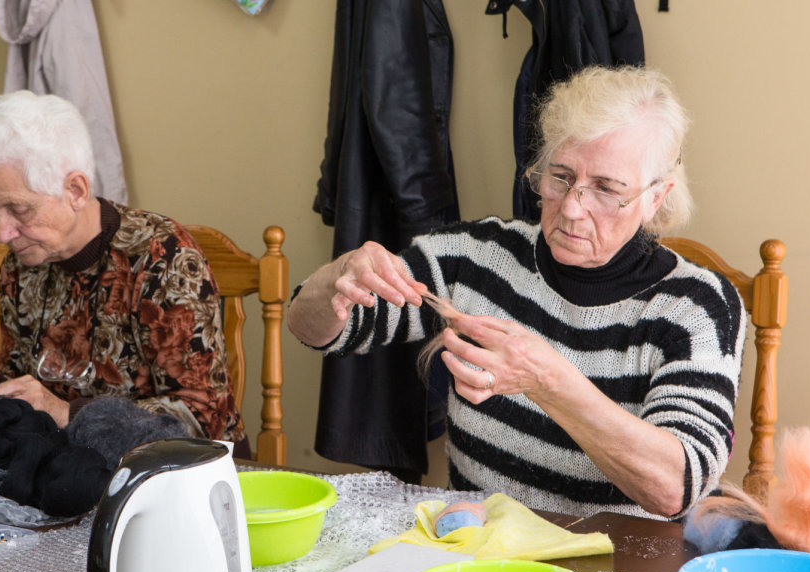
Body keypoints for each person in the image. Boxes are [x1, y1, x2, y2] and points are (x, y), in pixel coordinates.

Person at [287, 66, 745, 520]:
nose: (571, 208)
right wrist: (341, 276)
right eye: (561, 176)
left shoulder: (698, 307)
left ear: (656, 197)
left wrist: (548, 380)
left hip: (621, 563)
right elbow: (312, 327)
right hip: (481, 553)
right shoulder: (477, 257)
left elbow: (673, 488)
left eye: (606, 188)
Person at [0, 90, 244, 450]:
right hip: (73, 471)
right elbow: (37, 396)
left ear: (75, 190)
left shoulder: (162, 257)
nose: (3, 233)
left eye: (19, 209)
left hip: (182, 478)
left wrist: (66, 413)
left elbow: (202, 419)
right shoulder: (23, 262)